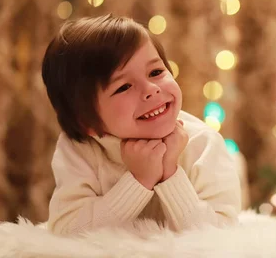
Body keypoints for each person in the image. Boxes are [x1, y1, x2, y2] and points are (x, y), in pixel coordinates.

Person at [42, 14, 241, 235]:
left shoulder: (203, 143)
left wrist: (170, 174)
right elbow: (66, 230)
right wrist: (140, 180)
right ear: (86, 122)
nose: (151, 89)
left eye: (156, 72)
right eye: (124, 87)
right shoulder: (79, 148)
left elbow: (222, 236)